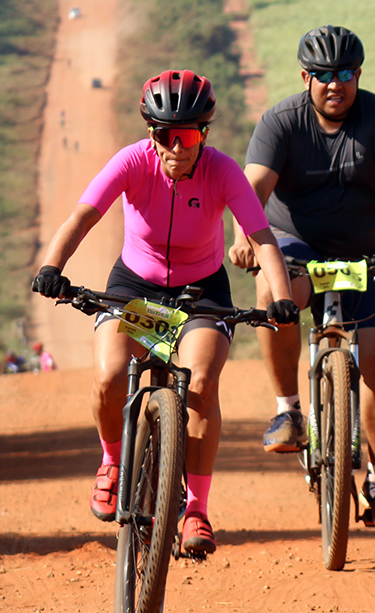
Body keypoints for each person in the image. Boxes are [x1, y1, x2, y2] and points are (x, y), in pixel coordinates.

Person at [31, 70, 298, 554]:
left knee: (201, 384)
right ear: (150, 134)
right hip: (135, 286)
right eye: (164, 135)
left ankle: (196, 508)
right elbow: (83, 217)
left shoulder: (222, 172)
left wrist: (280, 297)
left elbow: (262, 238)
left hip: (201, 292)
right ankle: (112, 462)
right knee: (110, 376)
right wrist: (52, 267)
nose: (176, 148)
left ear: (204, 134)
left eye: (188, 136)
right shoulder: (132, 161)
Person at [227, 25, 375, 532]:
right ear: (306, 78)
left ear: (358, 74)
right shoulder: (281, 121)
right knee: (274, 288)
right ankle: (289, 411)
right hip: (295, 243)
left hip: (371, 252)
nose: (334, 84)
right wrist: (244, 239)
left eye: (344, 73)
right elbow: (251, 190)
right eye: (323, 75)